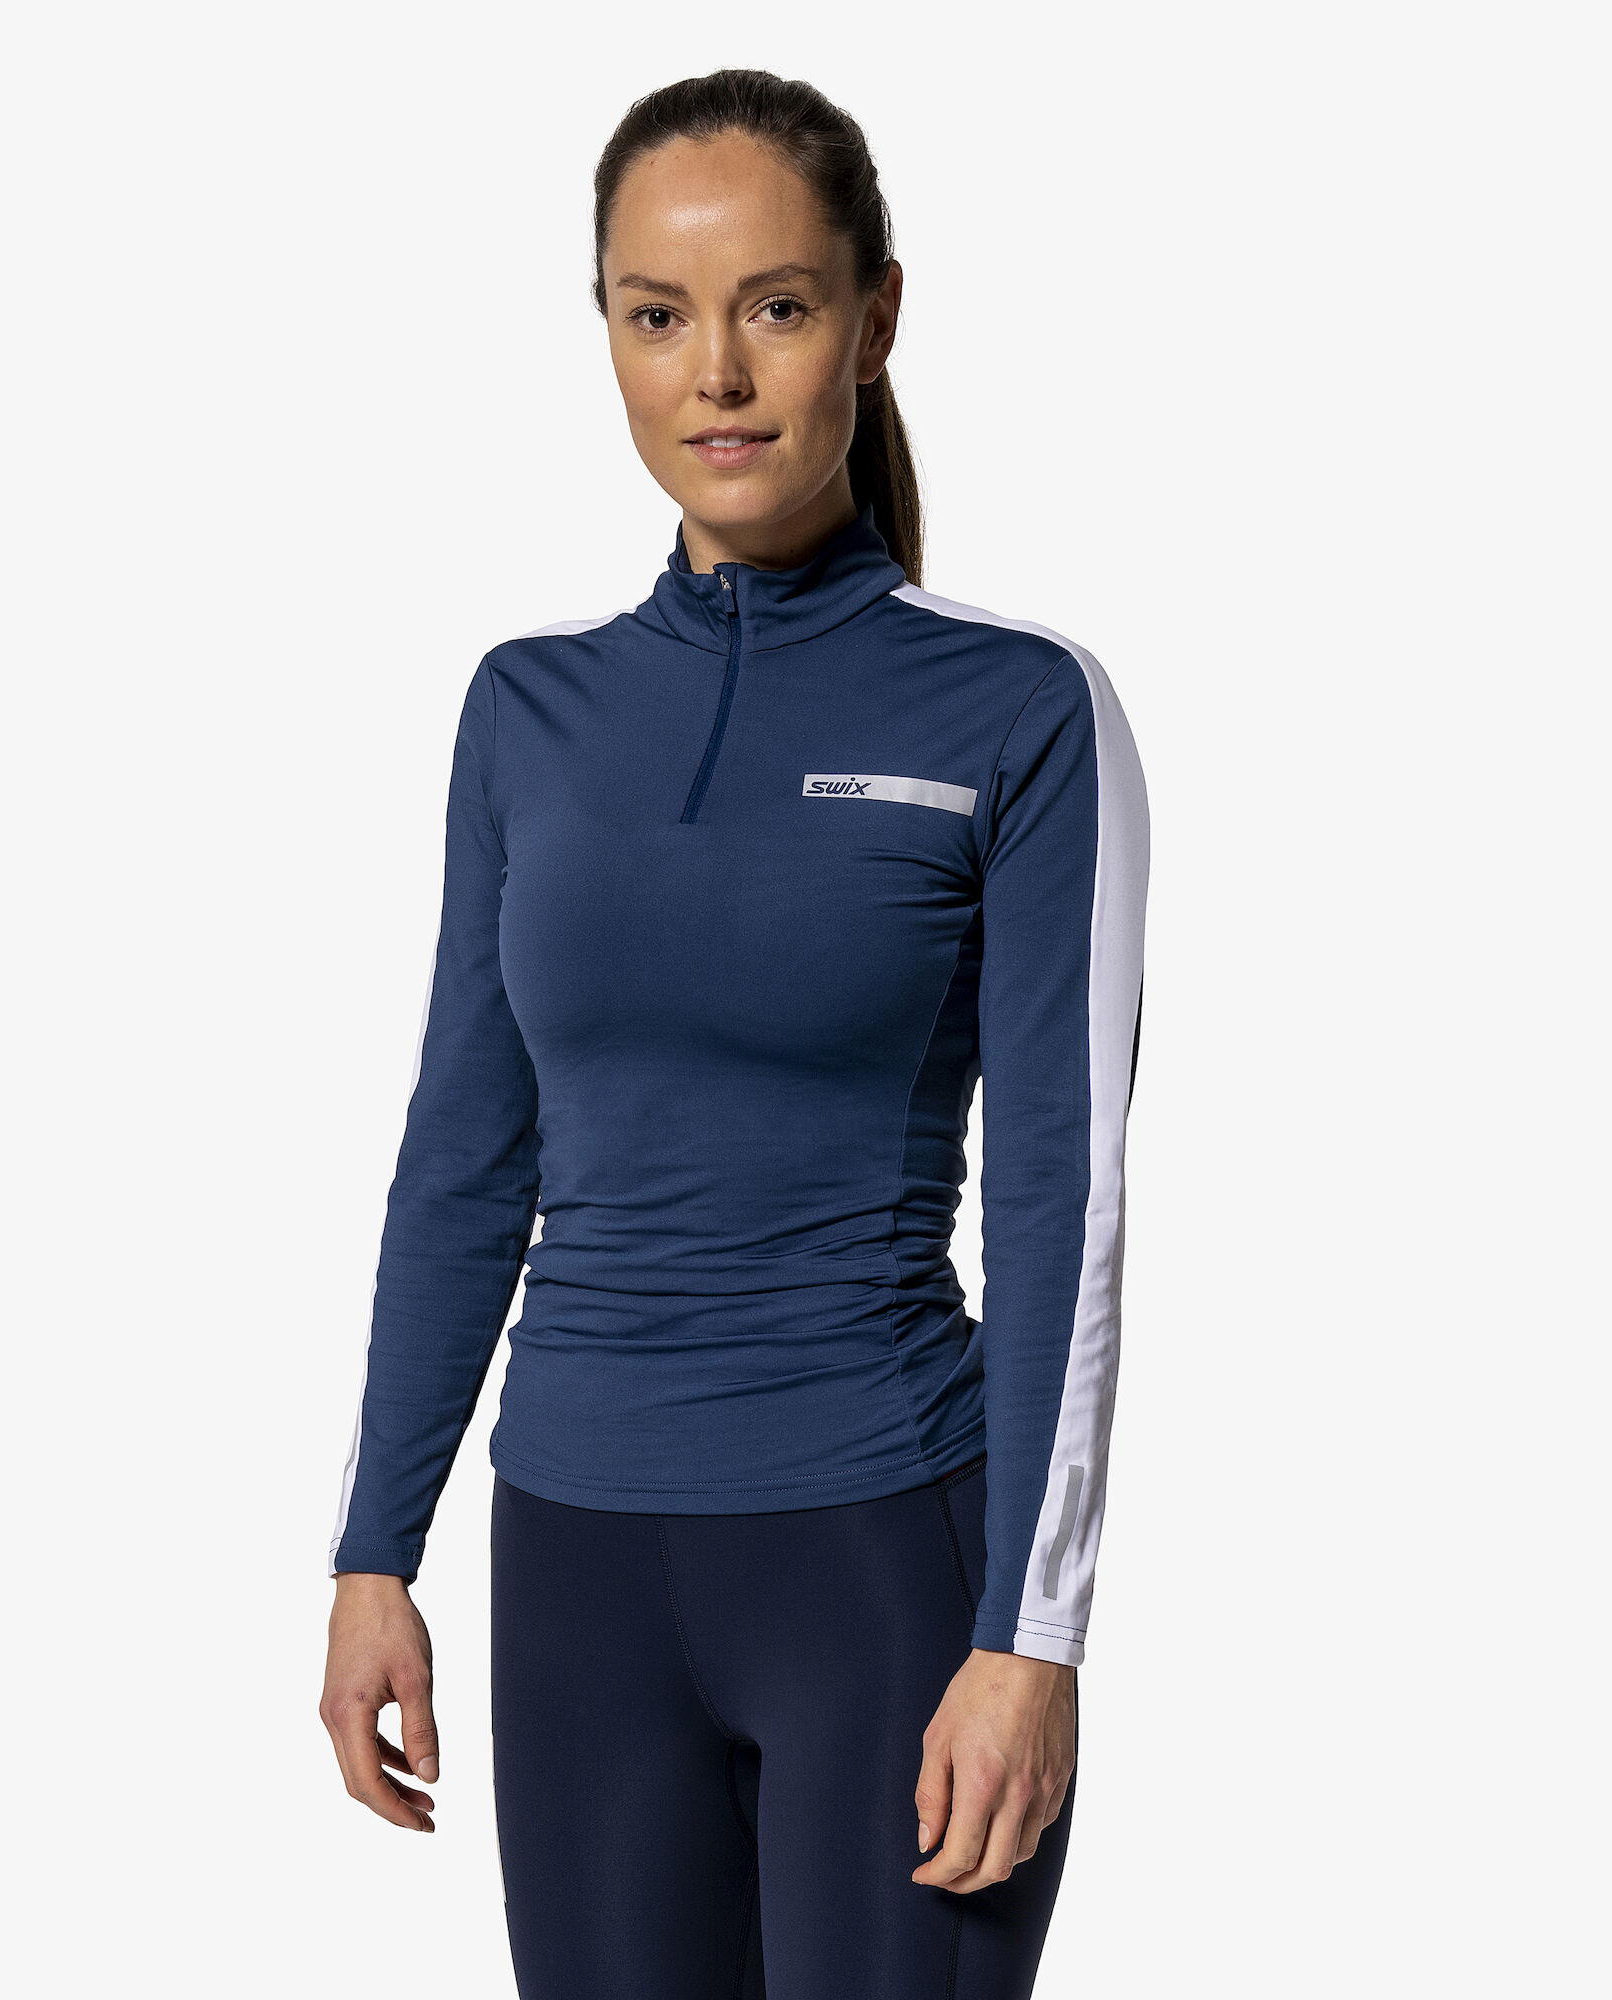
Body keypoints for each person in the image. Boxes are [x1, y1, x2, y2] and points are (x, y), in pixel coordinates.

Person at [319, 67, 1150, 2000]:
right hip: (575, 1567)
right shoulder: (527, 711)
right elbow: (465, 1156)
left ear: (872, 318)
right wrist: (375, 1551)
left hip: (883, 1569)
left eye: (776, 305)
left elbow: (1066, 1198)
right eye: (656, 313)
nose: (717, 373)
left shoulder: (1020, 712)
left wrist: (1031, 1642)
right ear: (606, 332)